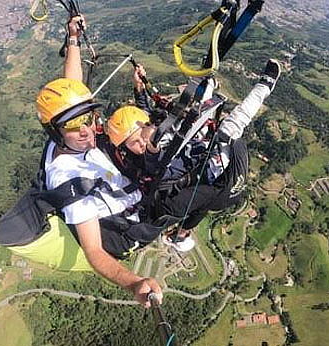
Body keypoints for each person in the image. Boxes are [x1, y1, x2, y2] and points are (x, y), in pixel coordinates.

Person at [35, 15, 167, 308]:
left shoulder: (69, 135)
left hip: (120, 187)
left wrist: (73, 38)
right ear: (56, 131)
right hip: (128, 221)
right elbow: (93, 250)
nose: (86, 129)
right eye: (75, 125)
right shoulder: (68, 179)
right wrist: (134, 283)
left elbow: (73, 82)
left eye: (86, 117)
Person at [103, 59, 281, 251]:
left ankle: (209, 81)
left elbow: (142, 119)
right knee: (231, 126)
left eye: (141, 138)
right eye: (134, 143)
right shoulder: (141, 162)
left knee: (199, 111)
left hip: (191, 143)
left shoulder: (143, 136)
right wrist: (152, 147)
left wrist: (139, 87)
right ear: (124, 147)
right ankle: (265, 85)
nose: (141, 143)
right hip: (209, 167)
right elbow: (154, 166)